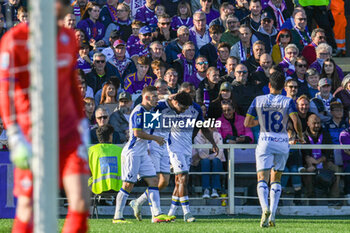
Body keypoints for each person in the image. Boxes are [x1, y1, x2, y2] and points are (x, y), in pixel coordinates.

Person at [0, 1, 91, 232]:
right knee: (28, 208)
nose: (63, 6)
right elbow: (5, 91)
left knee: (81, 200)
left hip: (68, 132)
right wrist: (14, 133)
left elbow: (72, 83)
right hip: (33, 133)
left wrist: (81, 124)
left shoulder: (69, 37)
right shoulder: (14, 40)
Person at [244, 71, 304, 227]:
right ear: (283, 87)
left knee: (262, 178)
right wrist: (301, 135)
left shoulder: (258, 99)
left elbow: (247, 123)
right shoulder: (287, 101)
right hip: (282, 141)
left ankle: (264, 208)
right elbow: (295, 120)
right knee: (276, 178)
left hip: (265, 140)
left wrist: (260, 122)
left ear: (269, 85)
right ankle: (273, 214)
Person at [113, 86, 172, 223]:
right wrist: (156, 139)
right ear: (146, 97)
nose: (157, 99)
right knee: (128, 185)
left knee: (154, 181)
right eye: (154, 97)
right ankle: (117, 216)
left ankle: (157, 214)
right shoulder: (138, 111)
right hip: (132, 153)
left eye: (157, 96)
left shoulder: (150, 111)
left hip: (143, 152)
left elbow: (151, 131)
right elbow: (137, 133)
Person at [166, 90, 219, 222]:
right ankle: (187, 213)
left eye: (185, 109)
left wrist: (213, 142)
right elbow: (156, 103)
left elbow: (203, 127)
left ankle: (171, 213)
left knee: (179, 181)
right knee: (183, 178)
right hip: (174, 148)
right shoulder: (169, 107)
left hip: (186, 148)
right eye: (181, 108)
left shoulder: (195, 109)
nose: (182, 111)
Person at [302, 114, 341, 206]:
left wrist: (319, 161)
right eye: (314, 123)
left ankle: (333, 199)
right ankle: (311, 198)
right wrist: (311, 164)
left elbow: (328, 152)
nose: (317, 125)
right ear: (308, 123)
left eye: (318, 123)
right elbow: (305, 154)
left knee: (337, 170)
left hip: (324, 161)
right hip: (309, 163)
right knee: (307, 172)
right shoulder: (304, 135)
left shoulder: (325, 134)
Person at [88, 124, 123, 195]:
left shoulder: (91, 150)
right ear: (110, 136)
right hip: (117, 187)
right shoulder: (120, 150)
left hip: (97, 187)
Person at [194, 125, 225, 199]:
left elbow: (219, 153)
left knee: (216, 161)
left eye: (212, 127)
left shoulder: (217, 135)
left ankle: (215, 189)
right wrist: (210, 146)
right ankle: (206, 190)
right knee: (205, 162)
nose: (211, 129)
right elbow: (202, 155)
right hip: (202, 163)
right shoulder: (197, 137)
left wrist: (209, 154)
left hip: (216, 162)